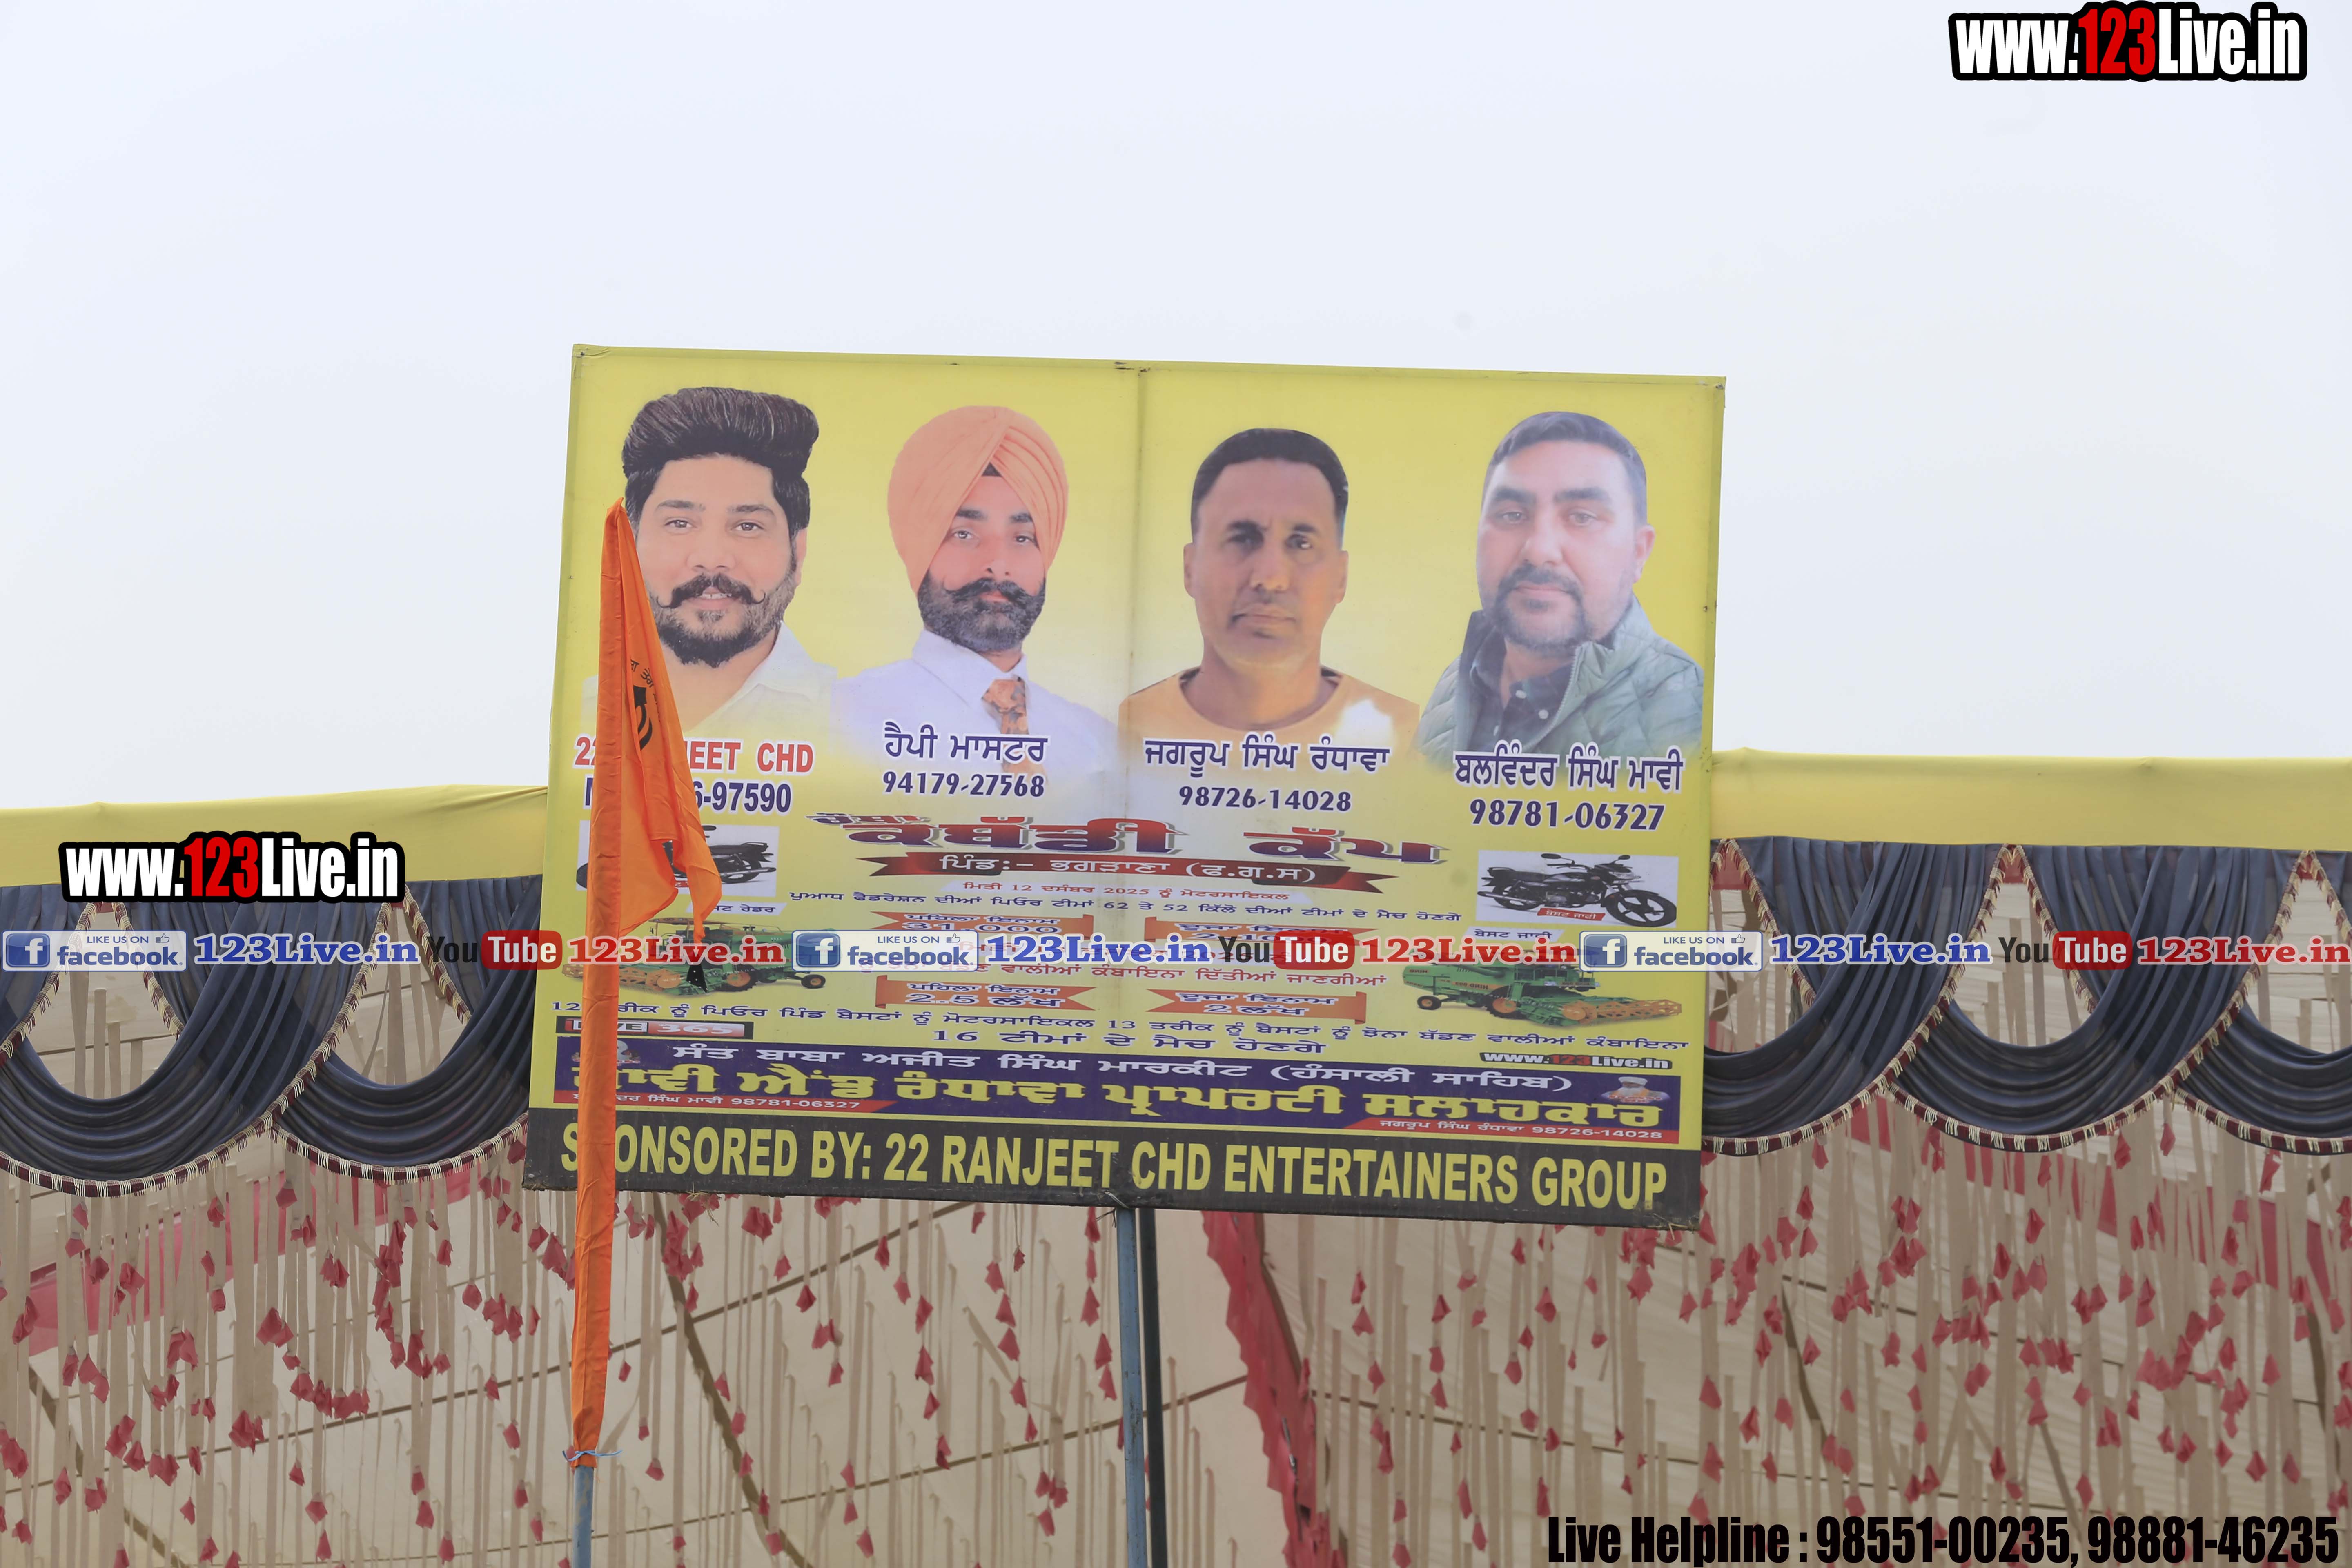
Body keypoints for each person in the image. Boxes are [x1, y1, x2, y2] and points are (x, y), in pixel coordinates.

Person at [833, 407, 1115, 785]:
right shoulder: (837, 720)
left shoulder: (1099, 744)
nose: (998, 566)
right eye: (964, 535)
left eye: (1022, 538)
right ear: (920, 548)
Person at [1416, 412, 1701, 762]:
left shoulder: (1687, 711)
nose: (1539, 550)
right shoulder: (1456, 681)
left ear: (1639, 552)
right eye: (1512, 515)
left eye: (1582, 517)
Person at [1120, 428, 1417, 752]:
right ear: (1190, 568)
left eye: (1301, 544)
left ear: (1341, 578)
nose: (1271, 579)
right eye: (1243, 539)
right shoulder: (1120, 730)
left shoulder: (1411, 742)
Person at [590, 386, 832, 736]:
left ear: (799, 552)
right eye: (680, 524)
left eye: (748, 526)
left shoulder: (853, 724)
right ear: (629, 544)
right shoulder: (583, 713)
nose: (712, 559)